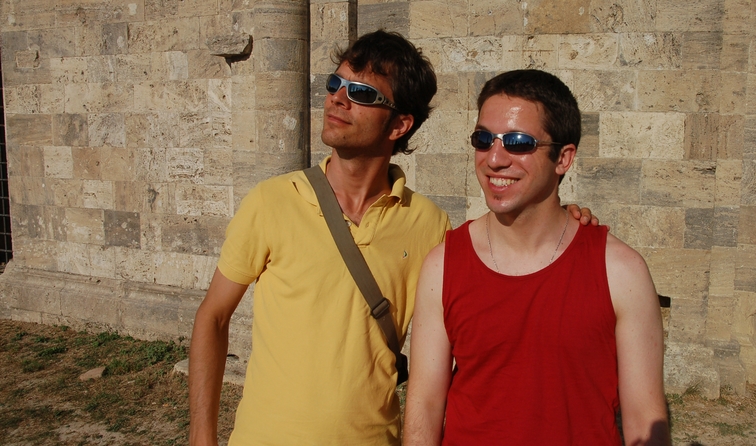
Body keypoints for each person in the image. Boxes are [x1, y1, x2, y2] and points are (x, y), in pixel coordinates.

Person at [189, 32, 597, 446]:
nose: (338, 99)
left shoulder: (430, 226)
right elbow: (213, 317)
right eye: (335, 83)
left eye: (362, 93)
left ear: (400, 124)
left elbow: (499, 266)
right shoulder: (272, 201)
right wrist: (201, 436)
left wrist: (561, 222)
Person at [403, 69, 670, 446]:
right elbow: (425, 406)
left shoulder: (621, 272)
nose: (494, 158)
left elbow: (645, 420)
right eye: (483, 139)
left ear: (563, 158)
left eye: (518, 142)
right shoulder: (442, 266)